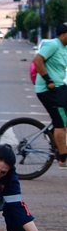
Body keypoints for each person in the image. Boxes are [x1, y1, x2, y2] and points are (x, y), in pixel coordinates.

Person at [33, 22, 67, 169]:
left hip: (60, 87)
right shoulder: (53, 44)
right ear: (64, 35)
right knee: (61, 121)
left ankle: (55, 139)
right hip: (49, 90)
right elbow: (37, 60)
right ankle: (63, 158)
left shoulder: (64, 48)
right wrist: (48, 80)